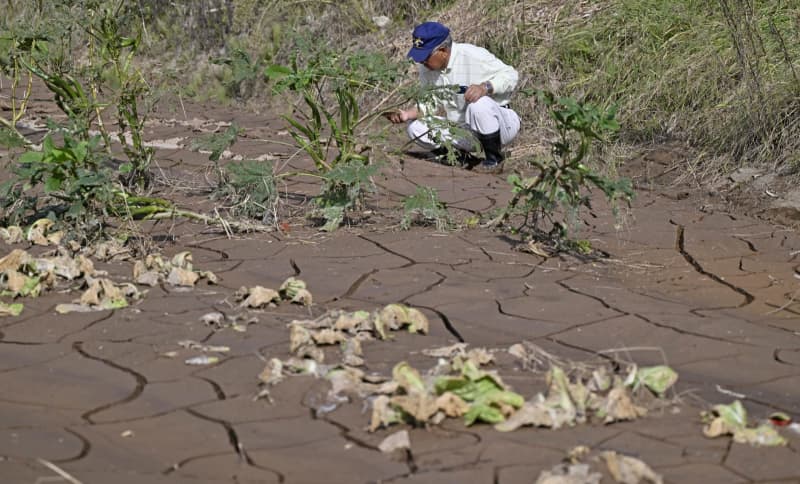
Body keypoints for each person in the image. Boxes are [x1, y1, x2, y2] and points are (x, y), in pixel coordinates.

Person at [386, 21, 521, 174]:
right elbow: (429, 104)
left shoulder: (473, 55)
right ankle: (462, 159)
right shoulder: (427, 68)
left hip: (501, 126)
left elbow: (511, 75)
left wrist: (485, 87)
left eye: (425, 57)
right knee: (415, 127)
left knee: (479, 104)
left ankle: (494, 160)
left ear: (443, 50)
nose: (421, 61)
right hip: (464, 130)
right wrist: (406, 114)